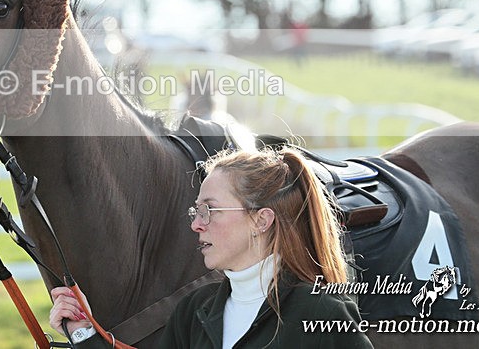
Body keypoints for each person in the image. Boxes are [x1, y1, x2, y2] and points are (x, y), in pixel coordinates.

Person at [49, 148, 373, 348]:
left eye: (210, 210)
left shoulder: (322, 314)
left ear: (261, 220)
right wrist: (83, 333)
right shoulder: (194, 312)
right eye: (196, 211)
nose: (196, 224)